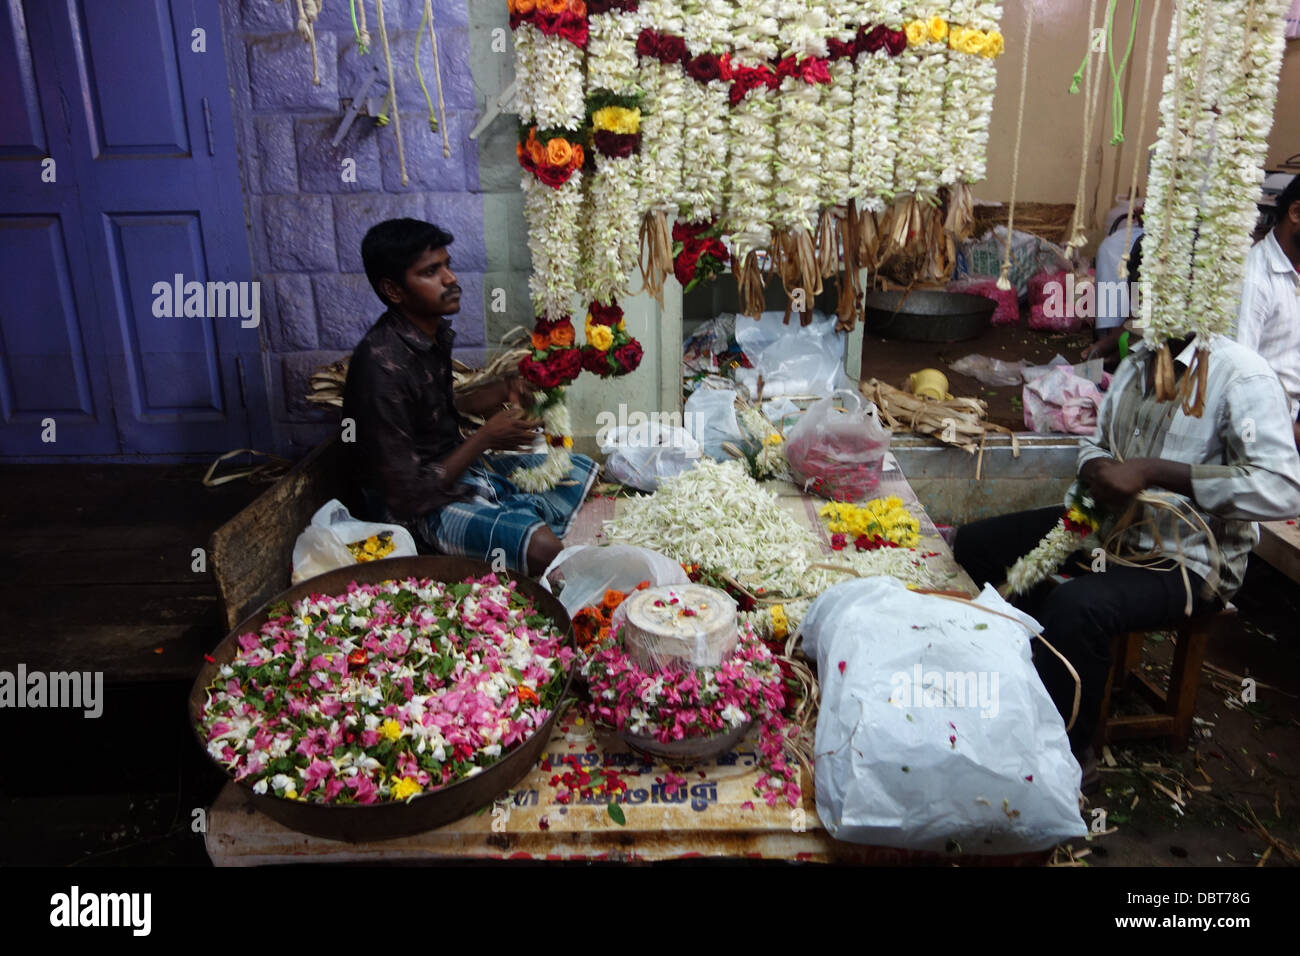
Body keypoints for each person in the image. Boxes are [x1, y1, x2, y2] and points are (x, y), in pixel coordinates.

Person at [955, 331, 1300, 781]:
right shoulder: (1139, 361)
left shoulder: (1241, 374)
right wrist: (1095, 467)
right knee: (976, 545)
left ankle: (1068, 754)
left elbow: (1283, 489)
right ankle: (1032, 680)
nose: (1135, 295)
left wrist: (1156, 472)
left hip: (1192, 561)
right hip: (1109, 532)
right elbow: (1096, 445)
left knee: (1077, 608)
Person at [340, 218, 599, 576]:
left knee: (579, 470)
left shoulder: (427, 335)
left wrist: (502, 390)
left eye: (447, 265)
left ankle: (501, 511)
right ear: (393, 290)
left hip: (455, 471)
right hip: (414, 510)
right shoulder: (380, 367)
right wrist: (485, 438)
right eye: (431, 271)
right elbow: (406, 496)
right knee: (542, 549)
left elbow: (436, 411)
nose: (451, 279)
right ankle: (481, 529)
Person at [1235, 174, 1300, 448]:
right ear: (1296, 213)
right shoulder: (1255, 278)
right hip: (1270, 430)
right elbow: (1237, 385)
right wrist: (1289, 433)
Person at [1081, 214, 1143, 367]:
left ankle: (1118, 339)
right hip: (1155, 226)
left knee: (1149, 258)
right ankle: (1110, 332)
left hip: (1186, 233)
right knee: (1109, 247)